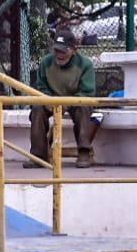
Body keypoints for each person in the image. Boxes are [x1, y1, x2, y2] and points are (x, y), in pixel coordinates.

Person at [30, 32, 99, 168]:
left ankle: (84, 152)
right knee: (37, 108)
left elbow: (88, 92)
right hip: (51, 101)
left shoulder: (85, 64)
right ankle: (38, 155)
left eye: (63, 51)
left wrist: (69, 103)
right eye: (56, 50)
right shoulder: (46, 62)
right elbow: (40, 88)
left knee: (83, 108)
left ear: (74, 50)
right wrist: (48, 100)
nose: (59, 55)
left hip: (76, 101)